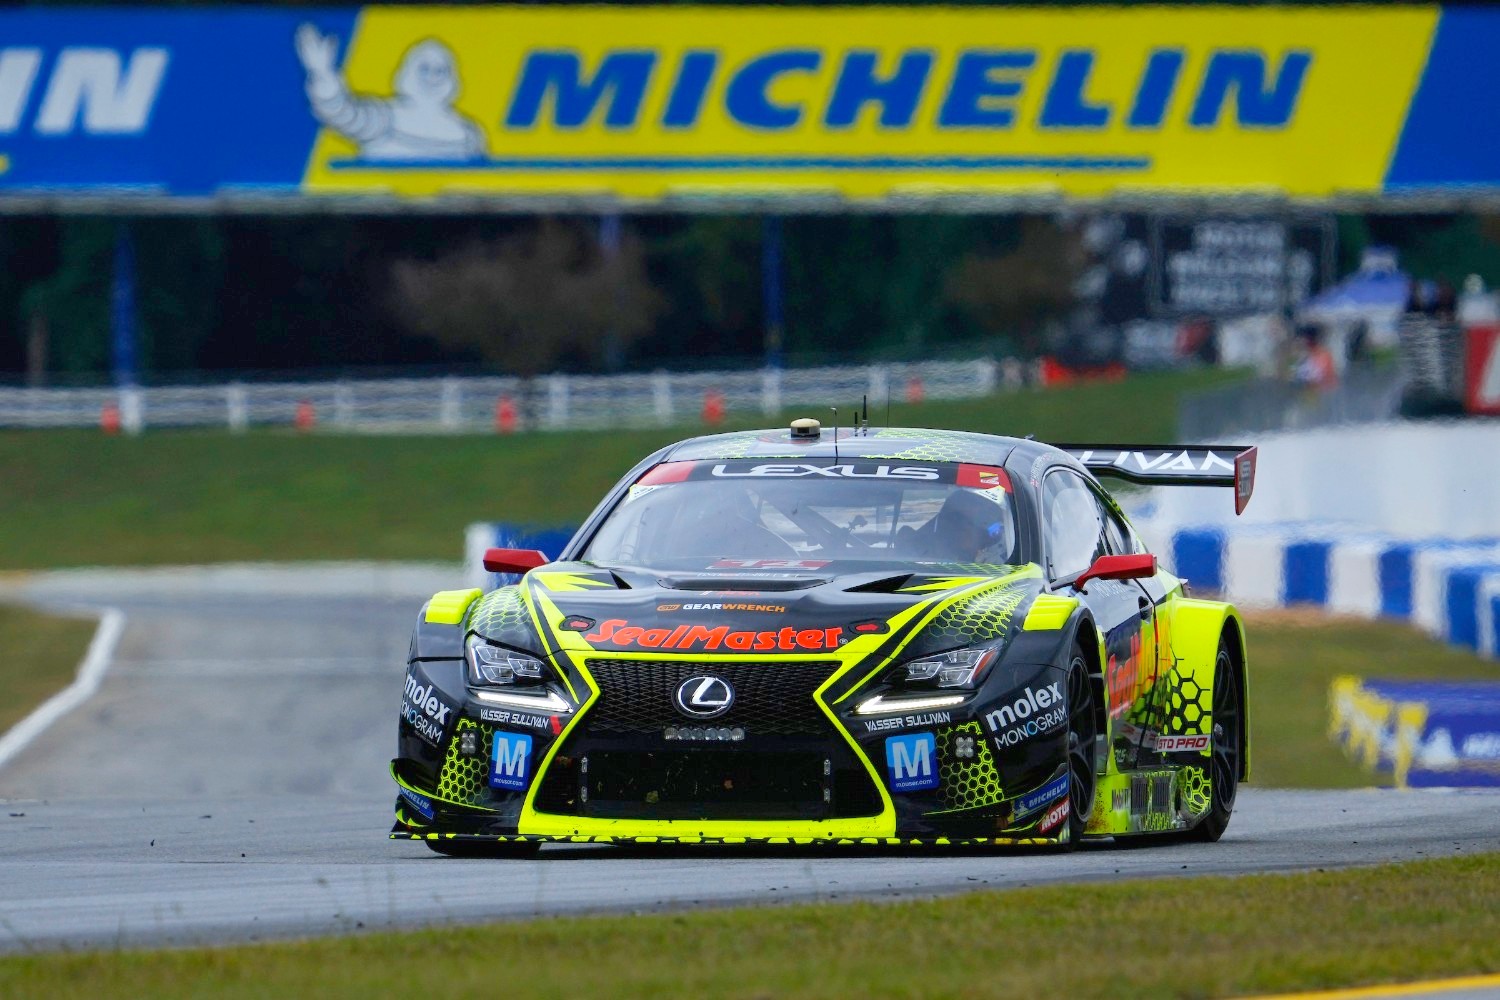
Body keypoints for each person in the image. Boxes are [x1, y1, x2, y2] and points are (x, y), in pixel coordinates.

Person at [295, 25, 486, 161]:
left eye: (440, 71)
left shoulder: (469, 134)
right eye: (424, 69)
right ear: (409, 71)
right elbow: (341, 113)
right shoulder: (384, 117)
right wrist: (322, 73)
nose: (432, 78)